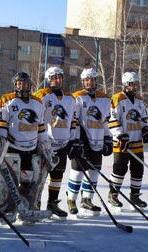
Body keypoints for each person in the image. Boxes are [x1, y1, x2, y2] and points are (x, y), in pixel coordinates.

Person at [0, 72, 54, 223]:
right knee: (10, 183)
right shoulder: (7, 100)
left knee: (29, 181)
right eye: (19, 83)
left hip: (31, 150)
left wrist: (46, 146)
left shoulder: (37, 102)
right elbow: (1, 126)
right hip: (13, 149)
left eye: (25, 83)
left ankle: (24, 208)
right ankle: (6, 211)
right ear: (15, 84)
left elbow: (40, 128)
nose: (23, 86)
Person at [33, 66, 81, 218]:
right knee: (40, 176)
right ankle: (35, 204)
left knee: (57, 175)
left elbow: (73, 120)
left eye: (59, 77)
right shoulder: (41, 95)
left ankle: (52, 203)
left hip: (62, 145)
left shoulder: (70, 98)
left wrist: (73, 141)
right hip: (46, 145)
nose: (57, 80)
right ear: (48, 79)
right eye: (53, 78)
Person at [66, 68, 112, 215]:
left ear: (96, 81)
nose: (89, 83)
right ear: (83, 81)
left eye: (92, 80)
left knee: (94, 171)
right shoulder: (77, 97)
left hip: (98, 139)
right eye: (87, 80)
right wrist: (75, 140)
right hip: (83, 139)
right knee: (78, 170)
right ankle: (71, 199)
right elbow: (74, 121)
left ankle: (87, 200)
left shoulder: (105, 99)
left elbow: (105, 122)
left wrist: (108, 138)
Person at [107, 71, 148, 208]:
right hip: (122, 142)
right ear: (126, 84)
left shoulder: (138, 99)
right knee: (120, 168)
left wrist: (145, 129)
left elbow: (143, 118)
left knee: (138, 169)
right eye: (133, 84)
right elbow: (112, 118)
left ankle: (135, 195)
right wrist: (120, 134)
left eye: (137, 83)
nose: (136, 86)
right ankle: (113, 195)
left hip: (136, 141)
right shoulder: (117, 98)